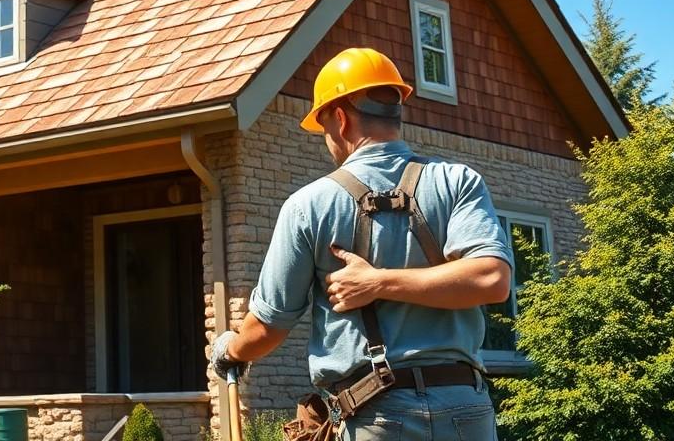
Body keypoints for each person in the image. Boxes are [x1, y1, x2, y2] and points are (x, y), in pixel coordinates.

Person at [209, 47, 514, 440]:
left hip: (377, 415)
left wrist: (232, 349)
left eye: (323, 128)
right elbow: (492, 278)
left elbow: (269, 326)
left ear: (339, 118)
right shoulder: (458, 181)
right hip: (466, 412)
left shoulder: (309, 205)